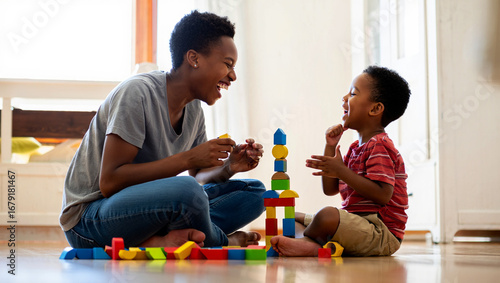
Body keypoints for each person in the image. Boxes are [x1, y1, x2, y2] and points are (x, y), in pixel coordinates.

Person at [60, 10, 266, 249]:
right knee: (187, 192)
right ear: (194, 58)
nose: (233, 76)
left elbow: (199, 176)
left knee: (255, 192)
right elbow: (110, 181)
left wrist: (230, 166)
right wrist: (188, 158)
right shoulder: (137, 93)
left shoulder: (194, 110)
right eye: (228, 64)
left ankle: (165, 239)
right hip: (90, 219)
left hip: (146, 212)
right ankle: (220, 240)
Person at [271, 66, 411, 256]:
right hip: (354, 223)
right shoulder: (355, 148)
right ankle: (317, 244)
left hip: (380, 232)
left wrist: (341, 171)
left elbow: (383, 195)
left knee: (327, 215)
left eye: (353, 93)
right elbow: (330, 189)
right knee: (292, 217)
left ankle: (309, 244)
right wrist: (330, 146)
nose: (344, 98)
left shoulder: (381, 146)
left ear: (375, 108)